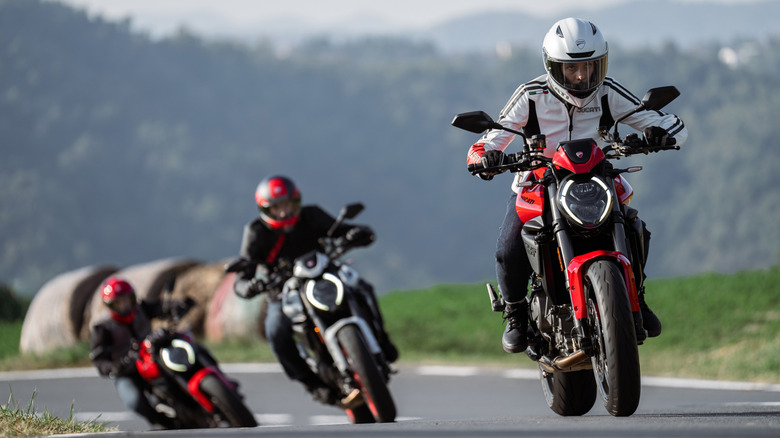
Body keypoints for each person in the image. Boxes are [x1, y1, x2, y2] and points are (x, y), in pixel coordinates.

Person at [465, 18, 688, 354]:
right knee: (508, 248)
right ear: (553, 68)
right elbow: (490, 140)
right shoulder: (531, 95)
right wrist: (485, 158)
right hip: (538, 182)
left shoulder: (608, 91)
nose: (582, 76)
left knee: (633, 226)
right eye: (572, 69)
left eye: (590, 67)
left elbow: (670, 124)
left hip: (595, 178)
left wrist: (660, 133)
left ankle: (635, 298)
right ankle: (516, 314)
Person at [232, 175, 398, 404]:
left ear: (296, 202)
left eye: (288, 205)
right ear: (265, 209)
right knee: (275, 332)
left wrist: (355, 234)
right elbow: (243, 276)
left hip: (324, 277)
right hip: (283, 292)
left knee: (363, 289)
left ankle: (382, 341)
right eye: (277, 207)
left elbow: (342, 230)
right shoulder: (255, 232)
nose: (284, 212)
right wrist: (250, 285)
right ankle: (313, 385)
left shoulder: (311, 215)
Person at [89, 277, 193, 429]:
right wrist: (115, 368)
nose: (124, 305)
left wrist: (179, 305)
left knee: (187, 356)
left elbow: (161, 307)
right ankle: (164, 423)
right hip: (127, 370)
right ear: (110, 305)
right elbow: (99, 360)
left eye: (126, 300)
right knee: (134, 401)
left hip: (152, 356)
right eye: (118, 302)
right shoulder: (102, 327)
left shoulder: (141, 308)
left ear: (132, 298)